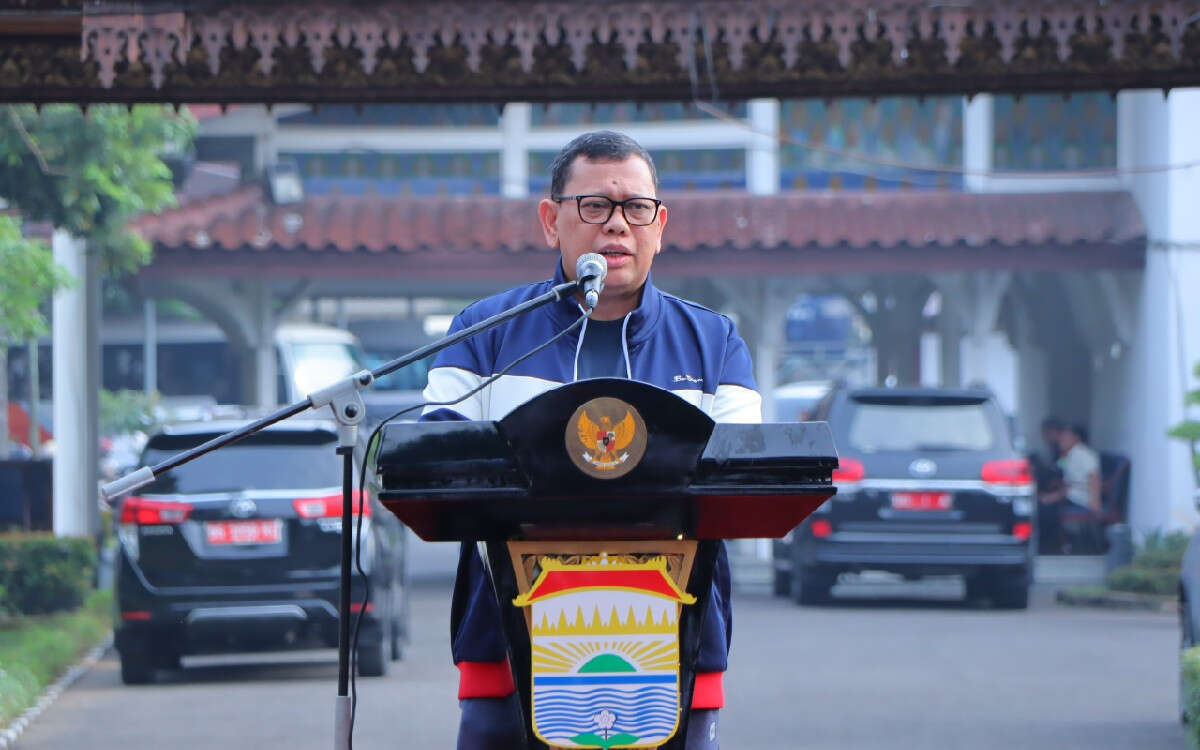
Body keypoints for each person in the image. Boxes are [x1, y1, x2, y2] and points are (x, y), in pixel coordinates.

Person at [420, 130, 761, 748]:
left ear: (660, 225)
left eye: (636, 208)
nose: (617, 226)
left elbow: (745, 478)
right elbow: (435, 462)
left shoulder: (715, 344)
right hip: (503, 637)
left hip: (677, 644)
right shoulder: (483, 333)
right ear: (551, 220)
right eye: (595, 207)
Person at [1037, 423, 1101, 552]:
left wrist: (1095, 502)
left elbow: (1093, 476)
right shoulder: (1070, 454)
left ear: (1076, 438)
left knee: (1046, 508)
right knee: (1042, 503)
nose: (1061, 440)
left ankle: (1055, 546)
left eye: (1065, 438)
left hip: (1082, 496)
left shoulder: (1083, 454)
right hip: (1070, 492)